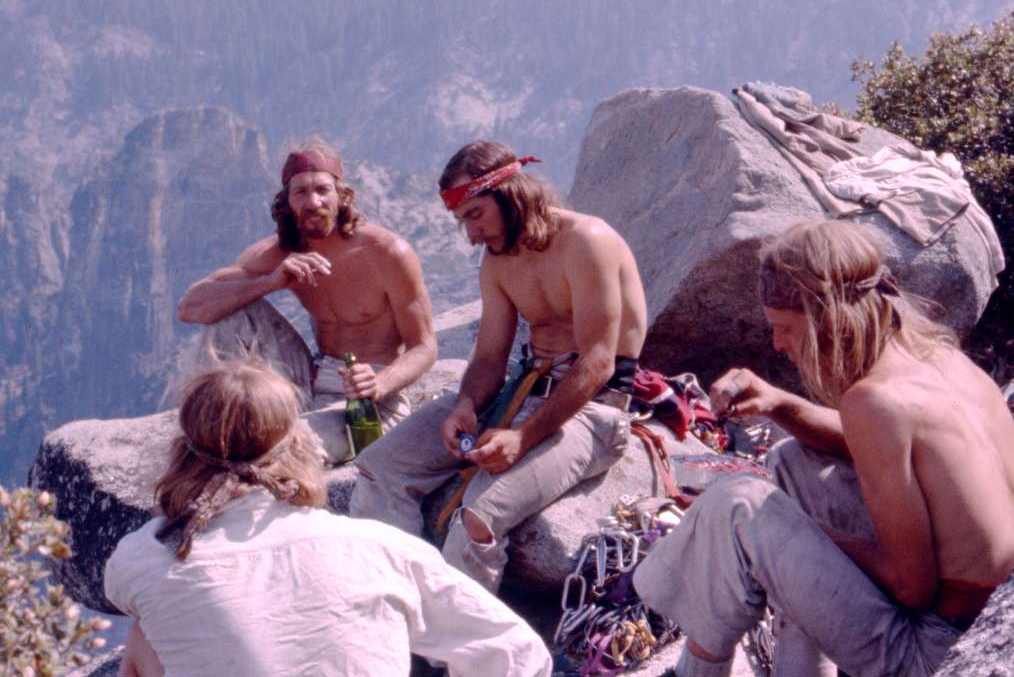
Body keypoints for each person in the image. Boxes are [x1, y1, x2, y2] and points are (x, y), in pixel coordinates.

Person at [632, 220, 1014, 677]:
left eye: (785, 328)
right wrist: (781, 405)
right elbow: (895, 454)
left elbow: (911, 587)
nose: (779, 345)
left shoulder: (874, 402)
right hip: (997, 621)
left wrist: (799, 534)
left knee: (737, 504)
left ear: (831, 316)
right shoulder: (943, 360)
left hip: (935, 653)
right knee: (792, 459)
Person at [104, 359, 552, 677]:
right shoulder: (378, 548)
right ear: (299, 444)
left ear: (183, 452)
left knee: (149, 627)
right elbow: (517, 653)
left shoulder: (145, 555)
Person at [349, 141, 648, 593]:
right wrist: (466, 404)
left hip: (593, 411)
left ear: (510, 193)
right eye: (462, 221)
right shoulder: (498, 263)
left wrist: (523, 437)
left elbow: (599, 361)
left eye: (475, 215)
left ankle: (466, 656)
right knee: (381, 467)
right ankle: (403, 610)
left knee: (479, 517)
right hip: (520, 392)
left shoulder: (587, 241)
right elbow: (490, 356)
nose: (471, 235)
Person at [176, 140, 436, 463]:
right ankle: (210, 425)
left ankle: (252, 444)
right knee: (233, 312)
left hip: (369, 402)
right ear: (287, 202)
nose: (313, 202)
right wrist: (270, 282)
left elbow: (424, 346)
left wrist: (379, 383)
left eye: (322, 190)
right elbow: (191, 307)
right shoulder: (283, 251)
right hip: (308, 380)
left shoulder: (387, 253)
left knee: (280, 453)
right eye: (301, 192)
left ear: (343, 196)